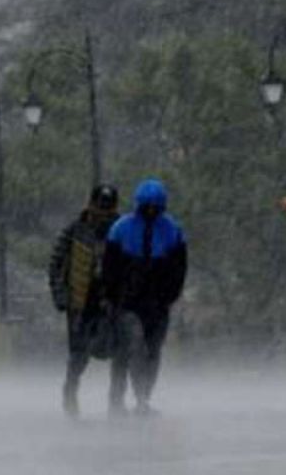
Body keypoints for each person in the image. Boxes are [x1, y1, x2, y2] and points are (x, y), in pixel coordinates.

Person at [102, 178, 187, 417]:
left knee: (153, 350)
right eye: (146, 206)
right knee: (134, 346)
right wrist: (112, 296)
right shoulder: (121, 229)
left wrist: (169, 295)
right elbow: (110, 267)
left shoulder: (172, 230)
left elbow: (179, 268)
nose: (150, 211)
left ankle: (143, 398)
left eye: (155, 207)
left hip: (158, 303)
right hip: (127, 303)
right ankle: (131, 397)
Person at [49, 184, 120, 417]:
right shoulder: (73, 231)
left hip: (112, 300)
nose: (103, 213)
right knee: (79, 353)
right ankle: (71, 391)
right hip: (80, 301)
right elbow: (56, 264)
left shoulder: (122, 230)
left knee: (119, 351)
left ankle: (116, 401)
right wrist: (61, 296)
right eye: (100, 207)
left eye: (108, 209)